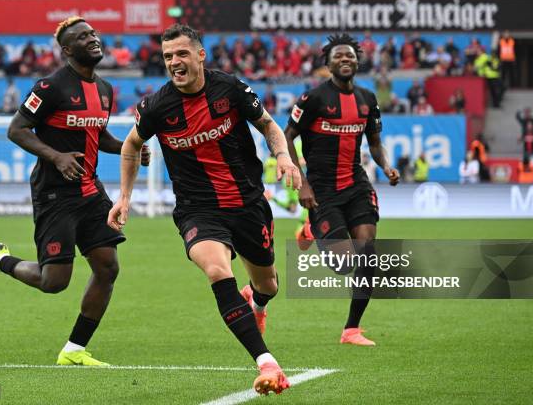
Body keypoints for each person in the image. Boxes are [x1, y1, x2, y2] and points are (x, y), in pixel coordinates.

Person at [107, 24, 300, 395]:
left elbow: (269, 126)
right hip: (198, 210)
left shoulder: (230, 88)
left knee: (269, 285)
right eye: (167, 57)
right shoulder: (156, 106)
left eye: (181, 53)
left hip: (247, 204)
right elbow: (132, 145)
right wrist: (125, 197)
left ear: (199, 54)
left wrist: (284, 158)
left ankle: (256, 303)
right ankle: (267, 363)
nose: (174, 62)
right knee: (216, 269)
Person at [0, 17, 149, 366]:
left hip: (91, 191)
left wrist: (130, 147)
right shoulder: (49, 88)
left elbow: (100, 136)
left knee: (108, 267)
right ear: (67, 50)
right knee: (54, 282)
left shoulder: (107, 90)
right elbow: (16, 129)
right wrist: (56, 156)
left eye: (94, 34)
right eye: (83, 37)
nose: (93, 39)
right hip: (55, 194)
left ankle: (74, 350)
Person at [284, 34, 400, 346]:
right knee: (344, 264)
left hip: (356, 183)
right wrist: (302, 182)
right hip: (321, 189)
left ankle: (352, 330)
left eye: (350, 55)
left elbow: (374, 142)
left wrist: (386, 166)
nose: (345, 59)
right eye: (339, 56)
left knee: (367, 254)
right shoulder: (313, 99)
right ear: (328, 63)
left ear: (357, 60)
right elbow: (286, 137)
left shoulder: (367, 99)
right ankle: (310, 228)